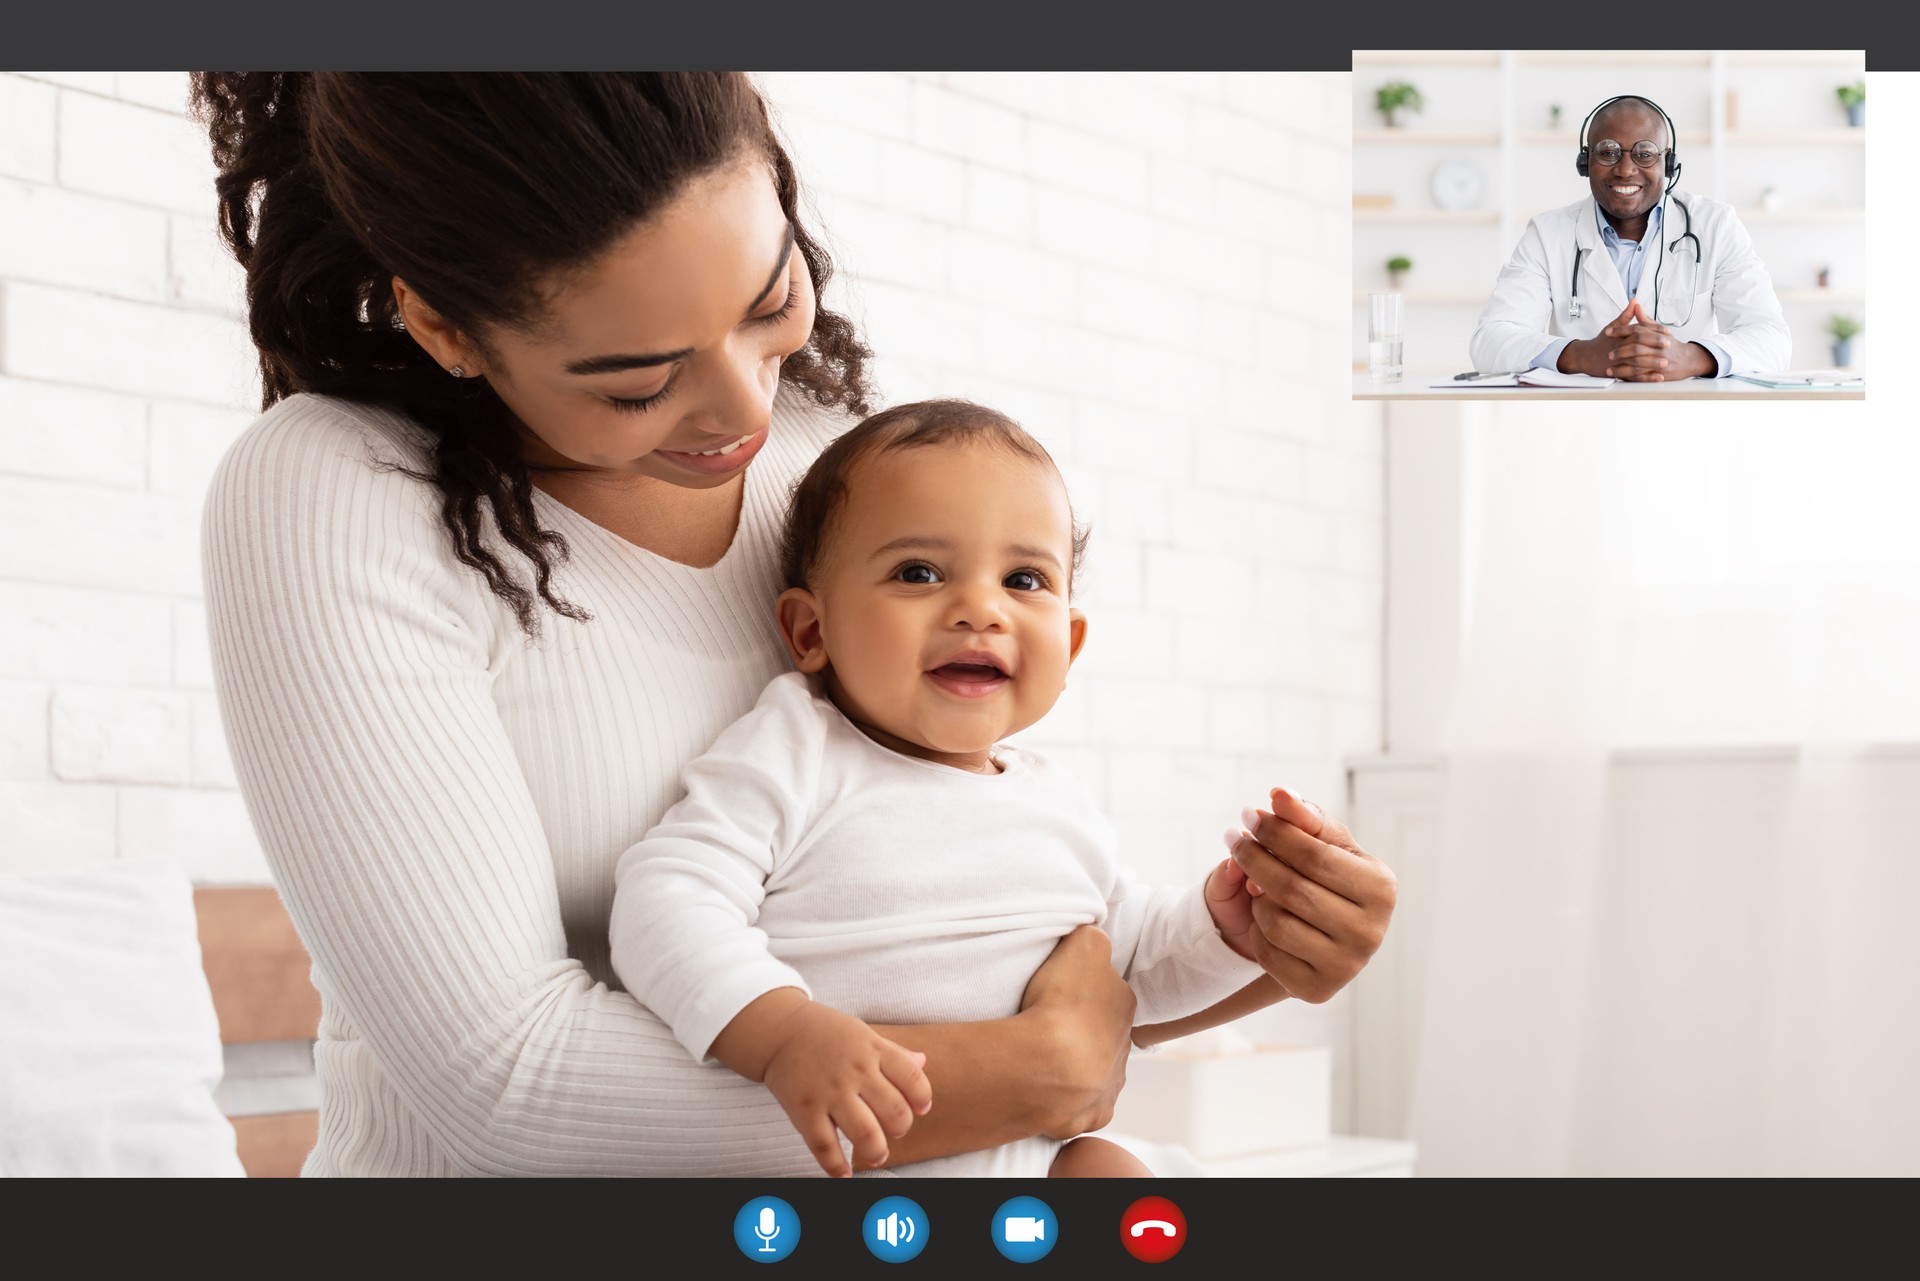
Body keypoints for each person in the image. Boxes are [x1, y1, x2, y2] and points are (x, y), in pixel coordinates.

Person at [191, 72, 1398, 1176]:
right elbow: (507, 1085)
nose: (741, 407)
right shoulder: (335, 490)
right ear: (448, 327)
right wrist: (1045, 1075)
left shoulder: (841, 473)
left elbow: (979, 951)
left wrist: (1269, 953)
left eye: (771, 304)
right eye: (635, 383)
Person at [613, 400, 1287, 1178]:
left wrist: (1226, 925)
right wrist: (781, 1032)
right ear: (810, 631)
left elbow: (1132, 970)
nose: (980, 609)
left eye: (1025, 578)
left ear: (1068, 646)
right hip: (860, 1175)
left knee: (1110, 1168)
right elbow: (667, 896)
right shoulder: (799, 748)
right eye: (919, 573)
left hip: (1032, 1167)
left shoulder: (1056, 802)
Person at [1469, 95, 1790, 380]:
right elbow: (1491, 340)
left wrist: (1693, 357)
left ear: (1668, 163)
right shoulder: (1547, 233)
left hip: (1688, 416)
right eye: (1608, 152)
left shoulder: (1716, 225)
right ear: (1585, 162)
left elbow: (1772, 339)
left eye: (1644, 153)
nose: (1625, 169)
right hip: (1581, 420)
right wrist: (1581, 355)